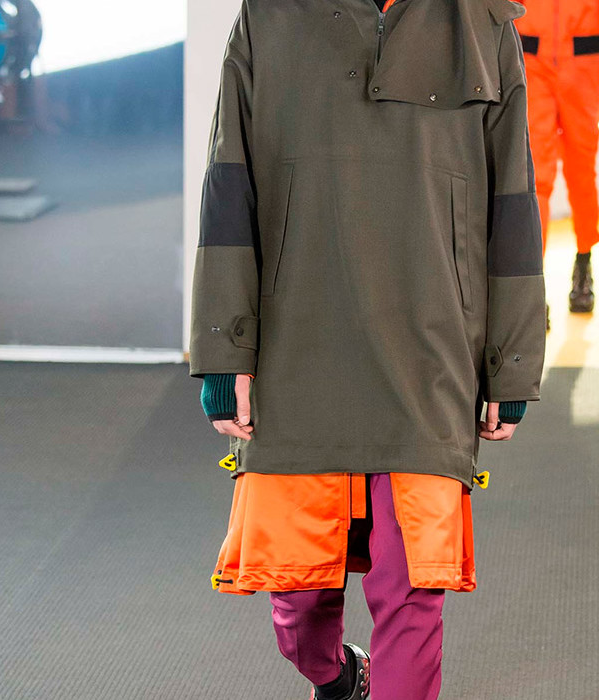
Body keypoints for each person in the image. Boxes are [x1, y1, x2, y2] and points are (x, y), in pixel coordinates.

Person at [188, 0, 547, 697]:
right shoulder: (267, 16)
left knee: (413, 590)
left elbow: (513, 206)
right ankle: (337, 676)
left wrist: (512, 362)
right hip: (296, 353)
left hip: (432, 357)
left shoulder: (483, 23)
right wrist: (224, 351)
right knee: (297, 601)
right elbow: (229, 190)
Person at [514, 0, 599, 318]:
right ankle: (534, 282)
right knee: (535, 176)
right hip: (531, 64)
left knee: (581, 172)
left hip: (585, 68)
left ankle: (584, 262)